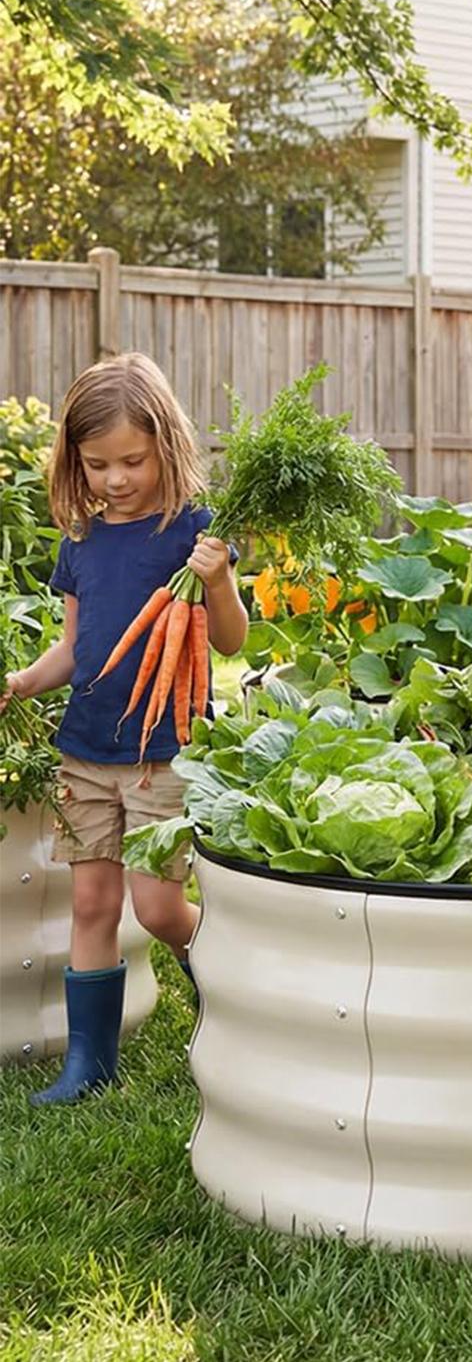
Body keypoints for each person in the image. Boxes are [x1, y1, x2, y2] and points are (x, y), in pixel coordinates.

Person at [0, 353, 248, 1106]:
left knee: (161, 908)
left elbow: (231, 641)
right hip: (86, 751)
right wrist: (20, 682)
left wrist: (218, 581)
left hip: (161, 754)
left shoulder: (194, 534)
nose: (115, 478)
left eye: (132, 461)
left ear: (165, 447)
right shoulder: (81, 544)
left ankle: (240, 984)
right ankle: (89, 1063)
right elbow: (74, 649)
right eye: (98, 463)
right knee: (90, 905)